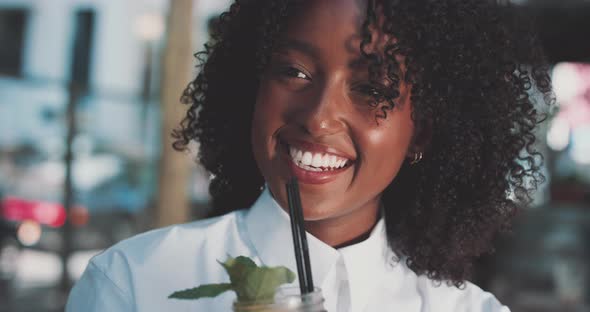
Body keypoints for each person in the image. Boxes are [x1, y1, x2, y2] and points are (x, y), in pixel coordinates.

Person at [66, 0, 553, 311]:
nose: (319, 117)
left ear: (422, 132)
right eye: (294, 72)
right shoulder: (135, 284)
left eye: (370, 88)